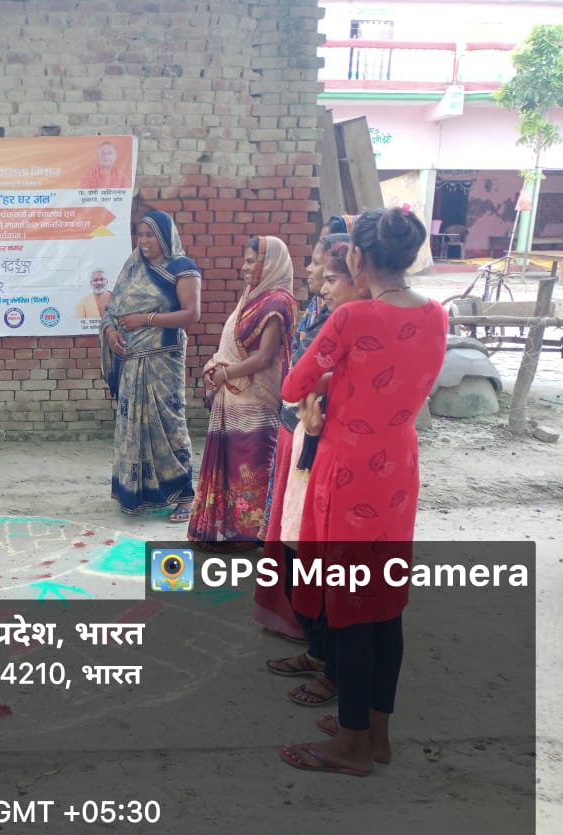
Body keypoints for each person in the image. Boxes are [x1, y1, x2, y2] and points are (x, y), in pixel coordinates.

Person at [279, 207, 448, 777]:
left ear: (357, 257)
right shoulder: (436, 314)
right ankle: (377, 732)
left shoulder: (352, 318)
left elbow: (293, 385)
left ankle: (351, 745)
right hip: (398, 468)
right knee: (385, 604)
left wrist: (331, 377)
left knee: (349, 607)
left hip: (349, 471)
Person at [259, 234, 367, 709]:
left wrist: (316, 388)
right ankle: (319, 651)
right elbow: (298, 385)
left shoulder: (353, 325)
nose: (320, 283)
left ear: (360, 279)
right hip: (305, 440)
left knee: (325, 563)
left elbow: (296, 382)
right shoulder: (328, 315)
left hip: (332, 454)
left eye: (330, 275)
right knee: (296, 551)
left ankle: (332, 669)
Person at [188, 236, 297, 547]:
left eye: (251, 261)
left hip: (257, 399)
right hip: (235, 395)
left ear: (269, 263)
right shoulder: (253, 297)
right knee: (232, 461)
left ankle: (252, 533)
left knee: (252, 462)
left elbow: (265, 358)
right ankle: (228, 530)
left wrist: (224, 373)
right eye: (245, 261)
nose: (244, 267)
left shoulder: (277, 302)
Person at [100, 211, 201, 520]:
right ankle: (139, 493)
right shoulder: (134, 266)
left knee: (169, 426)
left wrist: (146, 319)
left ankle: (185, 496)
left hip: (163, 362)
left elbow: (191, 314)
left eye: (150, 235)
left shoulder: (182, 268)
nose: (143, 241)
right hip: (131, 362)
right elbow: (112, 310)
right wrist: (111, 333)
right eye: (140, 234)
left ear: (165, 237)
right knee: (133, 429)